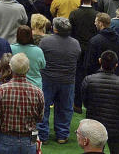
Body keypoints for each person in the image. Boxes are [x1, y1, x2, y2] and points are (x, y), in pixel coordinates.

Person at [0, 53, 44, 154]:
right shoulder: (37, 92)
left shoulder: (1, 90)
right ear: (28, 69)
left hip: (5, 141)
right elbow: (39, 119)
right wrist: (34, 142)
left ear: (11, 68)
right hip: (28, 141)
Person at [38, 16, 81, 144]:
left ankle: (42, 135)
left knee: (43, 107)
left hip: (47, 80)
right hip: (67, 81)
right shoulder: (75, 43)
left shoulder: (45, 41)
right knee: (65, 108)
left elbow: (41, 58)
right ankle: (62, 135)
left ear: (54, 29)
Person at [81, 50, 119, 154]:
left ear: (100, 61)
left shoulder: (89, 80)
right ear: (116, 65)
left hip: (95, 127)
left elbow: (86, 103)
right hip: (118, 129)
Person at [9, 25, 45, 89]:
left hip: (15, 85)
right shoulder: (38, 51)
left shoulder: (11, 48)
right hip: (35, 85)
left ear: (17, 35)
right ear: (31, 36)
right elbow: (43, 66)